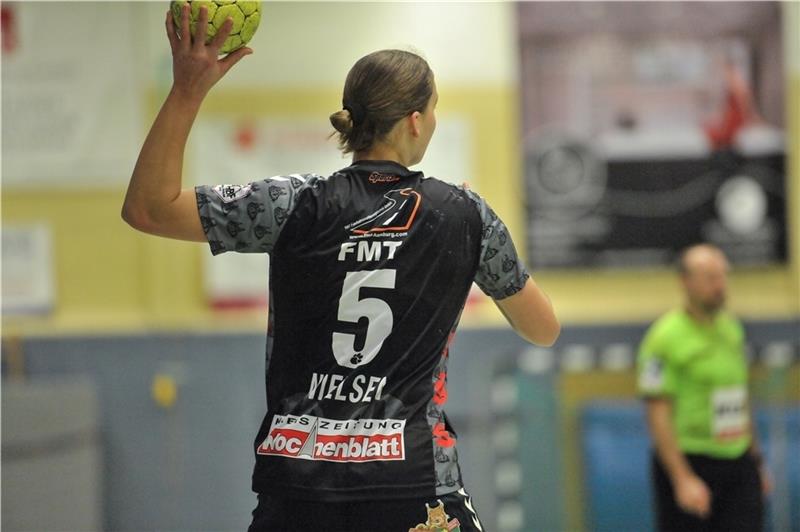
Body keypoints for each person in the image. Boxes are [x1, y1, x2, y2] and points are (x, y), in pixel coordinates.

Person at [122, 5, 560, 531]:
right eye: (435, 109)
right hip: (414, 484)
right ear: (416, 121)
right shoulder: (463, 214)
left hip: (298, 489)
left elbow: (147, 208)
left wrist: (188, 89)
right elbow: (542, 329)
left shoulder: (294, 203)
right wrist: (474, 246)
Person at [637, 244, 770, 532]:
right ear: (686, 282)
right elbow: (657, 412)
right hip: (692, 460)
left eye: (723, 276)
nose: (720, 285)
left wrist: (756, 461)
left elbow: (741, 397)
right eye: (711, 278)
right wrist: (682, 477)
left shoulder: (731, 328)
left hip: (737, 460)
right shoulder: (663, 338)